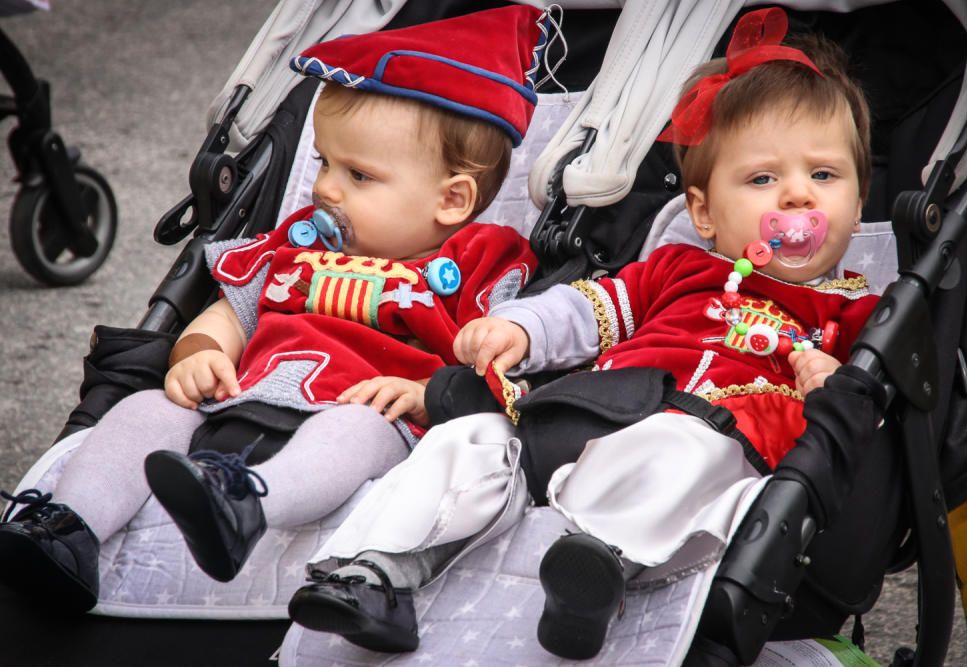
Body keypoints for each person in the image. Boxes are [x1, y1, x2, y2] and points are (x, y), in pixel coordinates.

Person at [285, 8, 886, 660]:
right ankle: (375, 570)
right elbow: (587, 308)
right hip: (594, 414)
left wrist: (840, 385)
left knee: (689, 447)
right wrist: (520, 328)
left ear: (857, 205)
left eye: (824, 176)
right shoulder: (676, 268)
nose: (798, 195)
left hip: (713, 445)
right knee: (472, 437)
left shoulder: (853, 314)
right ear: (704, 211)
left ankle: (594, 570)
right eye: (763, 178)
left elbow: (879, 421)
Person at [0, 5, 551, 615]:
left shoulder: (483, 266)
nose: (325, 188)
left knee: (352, 431)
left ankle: (246, 505)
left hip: (368, 415)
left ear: (452, 200)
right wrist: (199, 352)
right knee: (148, 407)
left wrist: (429, 391)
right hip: (240, 398)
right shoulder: (293, 245)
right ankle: (66, 528)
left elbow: (502, 366)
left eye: (359, 175)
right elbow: (230, 314)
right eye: (323, 163)